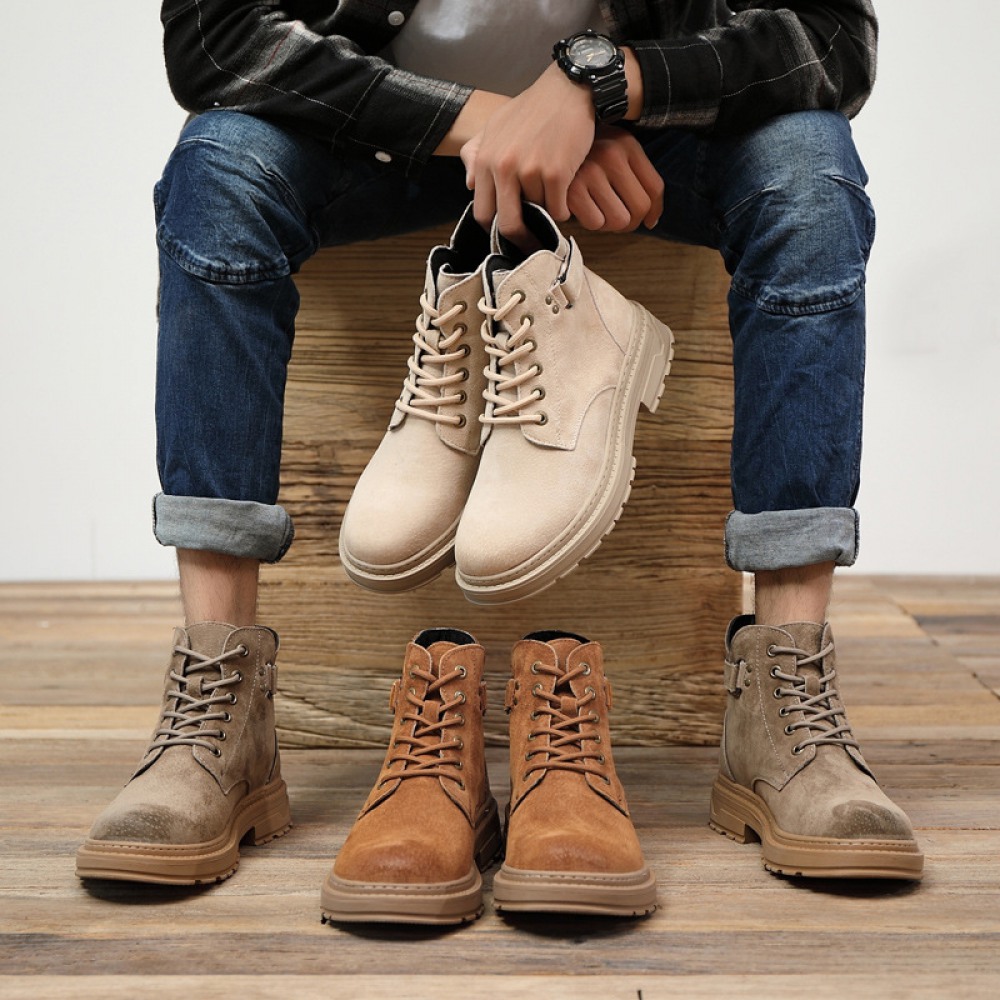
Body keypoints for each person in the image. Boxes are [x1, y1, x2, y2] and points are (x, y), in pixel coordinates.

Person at [76, 1, 924, 916]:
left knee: (809, 167)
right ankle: (219, 702)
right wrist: (493, 123)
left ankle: (784, 701)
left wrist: (601, 89)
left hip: (639, 141)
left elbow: (832, 38)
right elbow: (215, 39)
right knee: (220, 166)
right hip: (386, 135)